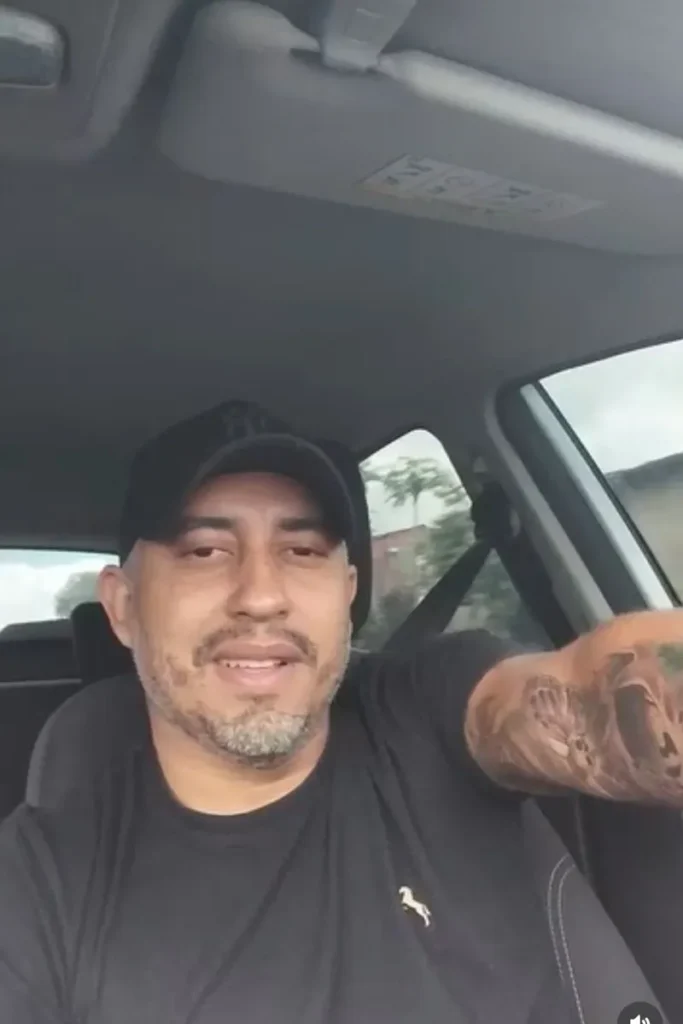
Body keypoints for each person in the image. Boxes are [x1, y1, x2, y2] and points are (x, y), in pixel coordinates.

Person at [1, 398, 682, 1024]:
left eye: (301, 551)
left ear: (347, 592)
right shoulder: (41, 879)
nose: (262, 596)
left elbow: (589, 690)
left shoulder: (429, 714)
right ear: (122, 607)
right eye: (205, 551)